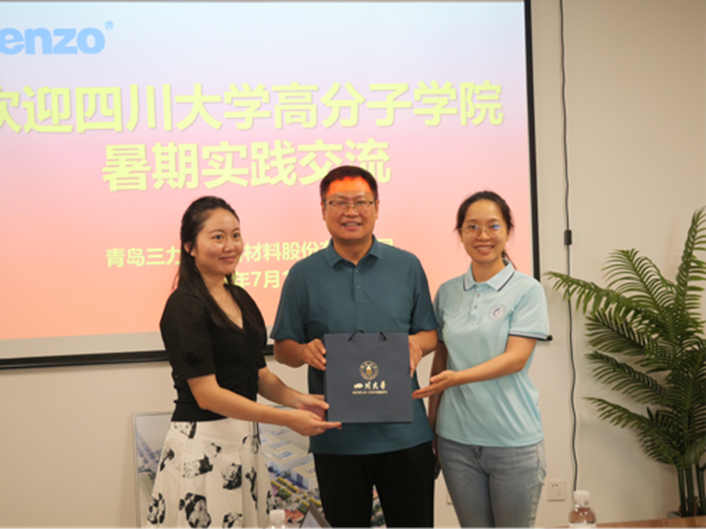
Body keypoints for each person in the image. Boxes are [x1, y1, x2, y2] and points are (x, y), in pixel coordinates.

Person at [148, 196, 340, 529]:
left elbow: (259, 374)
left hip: (244, 441)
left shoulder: (240, 298)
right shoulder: (184, 305)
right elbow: (207, 395)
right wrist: (286, 419)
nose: (230, 246)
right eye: (217, 237)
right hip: (202, 447)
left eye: (235, 235)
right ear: (190, 246)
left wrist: (300, 400)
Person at [271, 166, 439, 529]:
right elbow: (282, 348)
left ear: (377, 206)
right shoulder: (303, 274)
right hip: (337, 437)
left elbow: (430, 333)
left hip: (405, 434)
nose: (351, 211)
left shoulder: (407, 265)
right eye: (339, 203)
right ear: (323, 209)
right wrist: (302, 352)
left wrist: (416, 344)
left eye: (361, 202)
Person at [413, 191, 550, 529]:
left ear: (508, 230)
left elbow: (515, 359)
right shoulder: (447, 292)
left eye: (493, 226)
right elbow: (441, 361)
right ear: (460, 234)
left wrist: (458, 377)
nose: (483, 235)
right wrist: (433, 426)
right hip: (455, 441)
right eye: (472, 227)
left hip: (512, 441)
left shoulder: (527, 290)